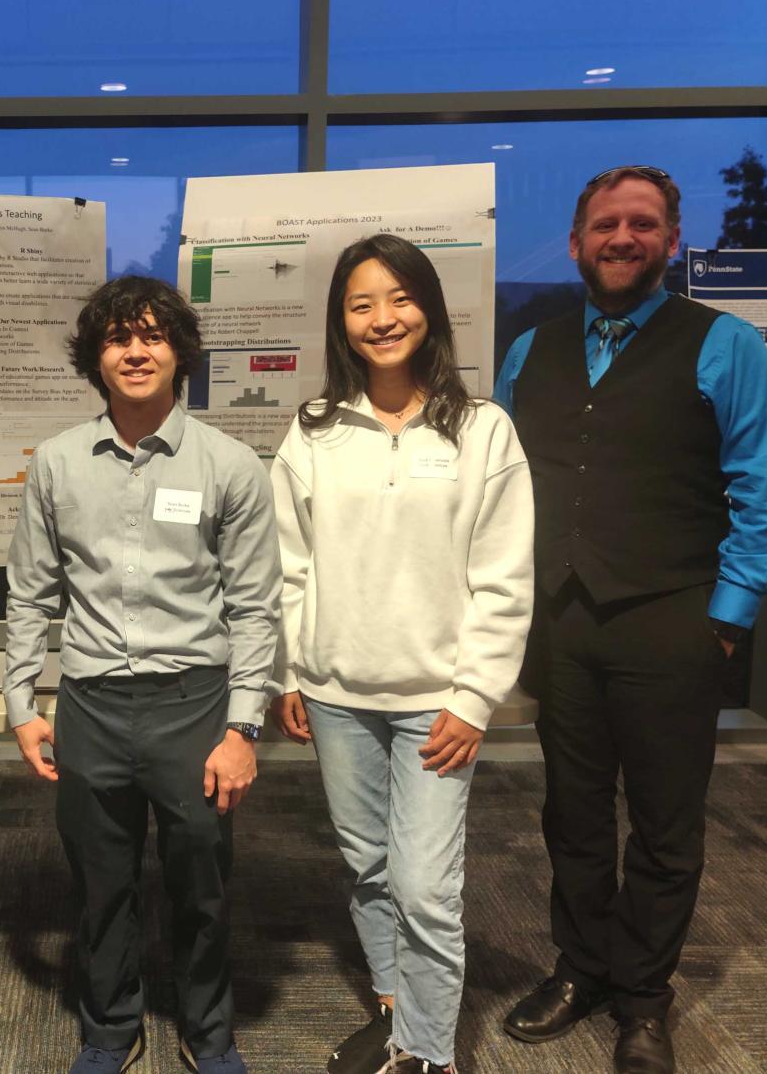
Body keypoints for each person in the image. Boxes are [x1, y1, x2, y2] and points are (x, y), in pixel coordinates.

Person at [494, 166, 767, 1074]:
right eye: (603, 224)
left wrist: (727, 616)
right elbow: (500, 487)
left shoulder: (725, 344)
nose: (620, 238)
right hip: (562, 623)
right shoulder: (530, 351)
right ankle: (581, 965)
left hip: (675, 620)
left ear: (672, 239)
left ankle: (645, 998)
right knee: (573, 814)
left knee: (665, 824)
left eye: (642, 224)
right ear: (577, 239)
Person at [269, 235, 534, 1074]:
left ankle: (426, 1052)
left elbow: (503, 574)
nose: (383, 318)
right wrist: (292, 671)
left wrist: (474, 696)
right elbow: (289, 566)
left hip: (436, 700)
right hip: (337, 690)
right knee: (368, 865)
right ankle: (395, 1004)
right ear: (341, 323)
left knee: (425, 884)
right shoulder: (313, 431)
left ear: (429, 307)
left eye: (399, 297)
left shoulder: (483, 429)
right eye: (361, 303)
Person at [4, 275, 281, 1074]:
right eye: (118, 337)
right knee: (102, 884)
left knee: (203, 885)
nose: (135, 349)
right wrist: (23, 700)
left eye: (153, 335)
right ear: (96, 356)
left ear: (179, 352)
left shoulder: (230, 464)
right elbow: (30, 589)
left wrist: (243, 726)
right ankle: (111, 1029)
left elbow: (257, 607)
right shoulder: (57, 462)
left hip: (194, 703)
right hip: (91, 701)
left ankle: (208, 1028)